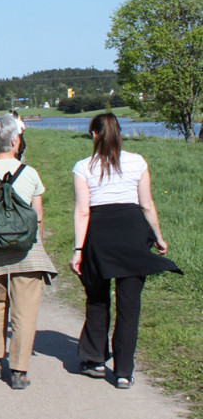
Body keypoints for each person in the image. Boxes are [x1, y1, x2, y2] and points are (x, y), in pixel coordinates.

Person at [70, 113, 180, 389]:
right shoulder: (138, 162)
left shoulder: (83, 167)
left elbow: (83, 211)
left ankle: (95, 359)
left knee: (97, 300)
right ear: (119, 133)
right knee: (129, 307)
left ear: (94, 135)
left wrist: (78, 249)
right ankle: (123, 371)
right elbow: (147, 205)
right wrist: (158, 237)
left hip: (99, 238)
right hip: (132, 236)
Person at [0, 114, 56, 390]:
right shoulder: (29, 173)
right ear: (16, 141)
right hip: (27, 252)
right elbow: (38, 217)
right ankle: (18, 371)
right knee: (25, 311)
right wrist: (36, 243)